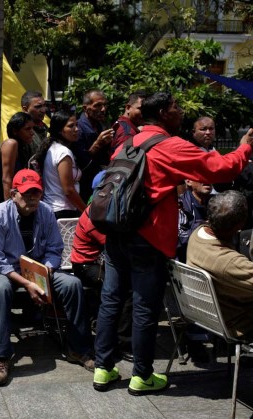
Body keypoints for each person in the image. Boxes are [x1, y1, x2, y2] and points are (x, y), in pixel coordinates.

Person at [93, 92, 253, 396]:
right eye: (178, 108)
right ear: (165, 113)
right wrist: (244, 149)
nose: (182, 113)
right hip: (147, 238)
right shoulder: (170, 146)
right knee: (144, 306)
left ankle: (103, 369)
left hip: (116, 232)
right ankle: (141, 375)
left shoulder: (127, 143)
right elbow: (220, 169)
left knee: (110, 300)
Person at [0, 169, 94, 386]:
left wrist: (45, 273)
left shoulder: (46, 212)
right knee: (1, 288)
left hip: (38, 269)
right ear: (13, 194)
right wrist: (27, 283)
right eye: (26, 193)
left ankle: (78, 349)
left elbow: (54, 249)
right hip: (5, 269)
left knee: (72, 284)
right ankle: (0, 356)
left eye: (36, 193)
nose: (32, 198)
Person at [186, 190, 253, 340]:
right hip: (237, 320)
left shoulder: (197, 233)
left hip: (211, 312)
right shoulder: (228, 262)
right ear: (239, 224)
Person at [36, 111, 86, 218]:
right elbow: (68, 189)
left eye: (76, 125)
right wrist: (86, 212)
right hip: (63, 211)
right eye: (71, 126)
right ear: (60, 130)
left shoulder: (53, 148)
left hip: (53, 209)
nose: (76, 129)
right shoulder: (63, 152)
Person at [73, 89, 115, 202]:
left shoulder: (101, 125)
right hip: (84, 187)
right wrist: (97, 144)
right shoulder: (78, 129)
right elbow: (82, 164)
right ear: (85, 108)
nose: (103, 109)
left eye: (105, 105)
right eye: (97, 106)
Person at [0, 112, 36, 198]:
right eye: (27, 129)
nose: (32, 133)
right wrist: (9, 207)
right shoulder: (11, 144)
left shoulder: (24, 148)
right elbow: (6, 179)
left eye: (32, 128)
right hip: (4, 199)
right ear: (15, 131)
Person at [177, 180, 212, 262]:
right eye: (201, 175)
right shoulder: (181, 204)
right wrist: (204, 226)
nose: (207, 179)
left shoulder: (217, 202)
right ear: (189, 181)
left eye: (209, 175)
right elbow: (180, 239)